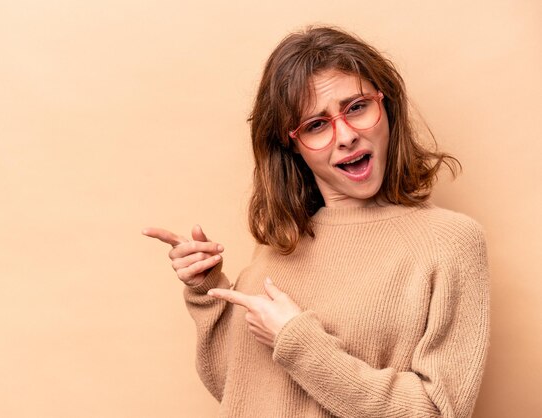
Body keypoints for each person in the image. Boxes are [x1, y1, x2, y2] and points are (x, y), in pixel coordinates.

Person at [142, 26, 489, 418]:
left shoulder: (451, 242)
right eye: (316, 125)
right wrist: (206, 292)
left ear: (386, 105)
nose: (346, 136)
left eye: (357, 106)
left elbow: (438, 412)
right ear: (291, 144)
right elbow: (237, 387)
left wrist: (299, 343)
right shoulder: (281, 244)